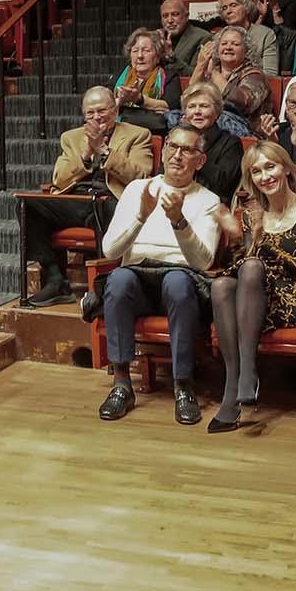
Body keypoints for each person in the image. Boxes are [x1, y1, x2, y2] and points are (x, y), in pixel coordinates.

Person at [95, 124, 225, 425]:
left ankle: (183, 386)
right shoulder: (138, 190)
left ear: (200, 160)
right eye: (172, 147)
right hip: (138, 277)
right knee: (118, 279)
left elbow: (203, 262)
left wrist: (179, 221)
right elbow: (111, 250)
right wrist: (141, 215)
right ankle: (122, 384)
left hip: (181, 281)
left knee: (177, 280)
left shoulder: (208, 200)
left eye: (187, 150)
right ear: (163, 151)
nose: (178, 155)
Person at [208, 142, 296, 432]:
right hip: (253, 299)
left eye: (270, 166)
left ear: (287, 168)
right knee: (222, 286)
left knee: (251, 269)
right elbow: (239, 266)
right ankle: (235, 381)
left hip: (292, 295)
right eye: (257, 171)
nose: (265, 176)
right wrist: (238, 237)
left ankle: (247, 372)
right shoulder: (252, 215)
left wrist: (264, 243)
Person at [28, 87, 155, 306]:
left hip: (112, 200)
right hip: (78, 200)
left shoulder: (138, 134)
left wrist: (105, 151)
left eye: (102, 110)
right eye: (90, 113)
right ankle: (55, 278)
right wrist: (86, 154)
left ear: (114, 111)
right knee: (27, 205)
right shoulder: (71, 137)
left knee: (106, 209)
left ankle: (104, 284)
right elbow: (59, 179)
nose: (96, 117)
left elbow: (141, 175)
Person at [108, 27, 173, 131]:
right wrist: (120, 100)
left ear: (157, 56)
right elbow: (105, 101)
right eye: (135, 51)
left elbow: (169, 106)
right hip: (117, 130)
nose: (139, 56)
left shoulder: (169, 76)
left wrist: (139, 99)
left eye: (146, 51)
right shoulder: (120, 75)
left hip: (151, 131)